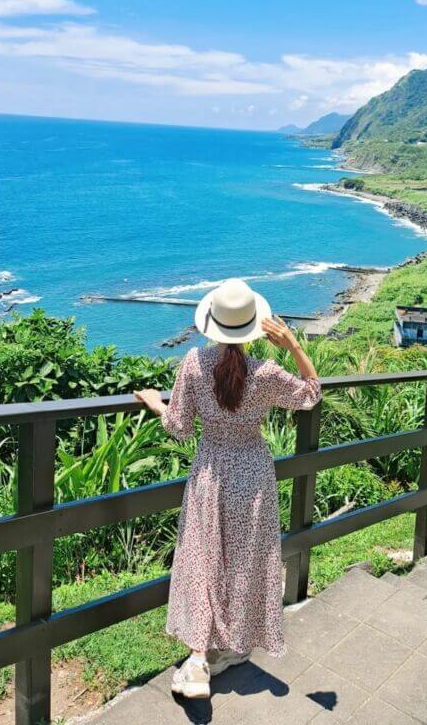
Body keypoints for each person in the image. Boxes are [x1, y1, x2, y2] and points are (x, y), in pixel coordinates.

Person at [134, 277, 321, 700]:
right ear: (255, 327)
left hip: (210, 472)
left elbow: (179, 427)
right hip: (252, 475)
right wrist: (291, 343)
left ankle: (199, 658)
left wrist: (156, 403)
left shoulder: (194, 365)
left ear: (211, 325)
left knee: (203, 558)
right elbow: (311, 393)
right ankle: (226, 647)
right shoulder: (267, 373)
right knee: (241, 561)